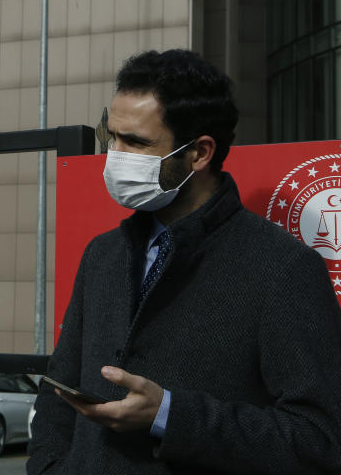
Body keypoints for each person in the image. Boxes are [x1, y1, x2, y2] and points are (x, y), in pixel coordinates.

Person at [27, 49, 341, 473]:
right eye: (112, 136)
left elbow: (317, 438)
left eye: (135, 142)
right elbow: (58, 393)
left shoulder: (282, 268)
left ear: (200, 153)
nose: (114, 156)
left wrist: (170, 415)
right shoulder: (103, 253)